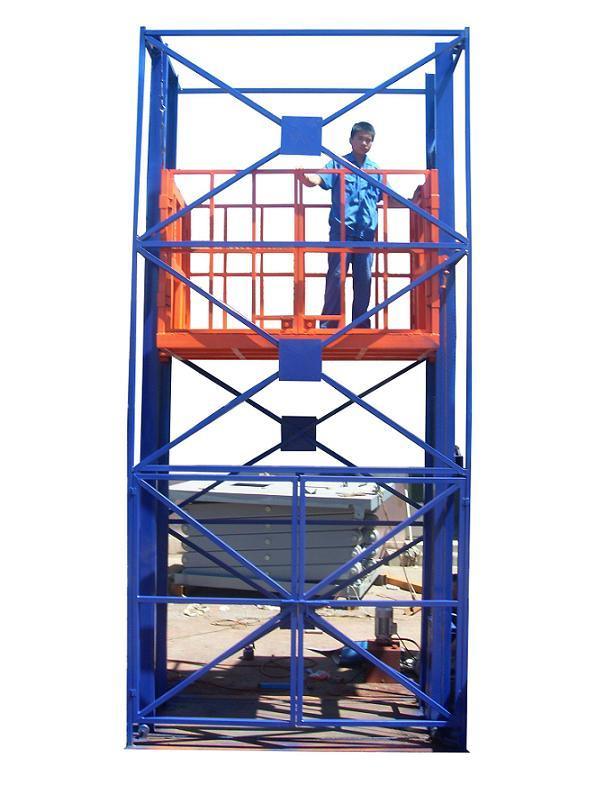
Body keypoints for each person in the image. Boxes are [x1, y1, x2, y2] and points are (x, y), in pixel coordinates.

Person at [298, 122, 399, 328]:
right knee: (336, 276)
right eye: (360, 139)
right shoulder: (338, 164)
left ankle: (360, 323)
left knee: (364, 279)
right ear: (351, 140)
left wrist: (413, 202)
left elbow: (390, 198)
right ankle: (329, 324)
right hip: (342, 233)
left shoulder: (375, 171)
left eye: (368, 140)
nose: (364, 143)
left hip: (366, 235)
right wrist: (306, 178)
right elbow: (318, 179)